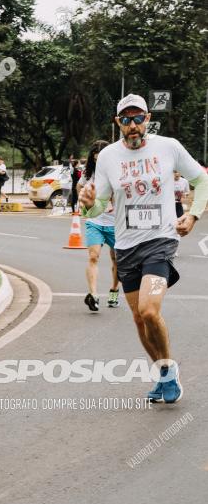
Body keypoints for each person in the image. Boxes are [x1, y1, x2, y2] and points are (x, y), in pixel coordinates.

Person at [79, 94, 208, 404]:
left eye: (138, 118)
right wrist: (87, 206)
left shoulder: (168, 147)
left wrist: (192, 216)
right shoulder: (108, 156)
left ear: (148, 119)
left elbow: (201, 180)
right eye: (126, 120)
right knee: (139, 318)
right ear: (118, 123)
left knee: (150, 310)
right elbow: (99, 206)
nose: (133, 125)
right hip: (125, 245)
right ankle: (164, 372)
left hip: (160, 241)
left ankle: (169, 370)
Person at [79, 141, 120, 312]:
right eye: (95, 155)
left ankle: (114, 290)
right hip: (94, 222)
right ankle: (93, 295)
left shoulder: (117, 172)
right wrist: (83, 199)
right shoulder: (89, 174)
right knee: (93, 256)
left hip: (115, 223)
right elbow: (80, 186)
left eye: (101, 154)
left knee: (117, 259)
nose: (98, 157)